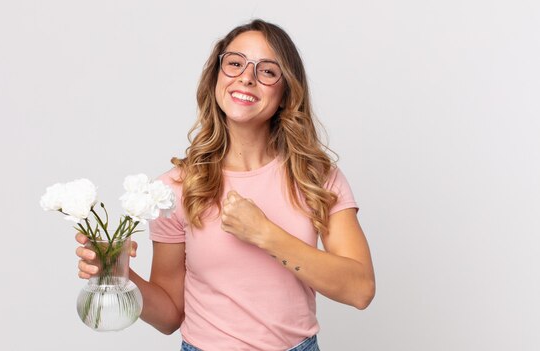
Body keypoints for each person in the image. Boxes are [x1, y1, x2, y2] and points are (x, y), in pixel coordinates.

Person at [76, 19, 375, 351]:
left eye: (267, 71)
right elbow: (171, 316)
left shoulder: (315, 177)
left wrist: (264, 233)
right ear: (216, 77)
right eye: (235, 64)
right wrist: (119, 277)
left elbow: (359, 290)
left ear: (286, 90)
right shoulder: (175, 188)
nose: (246, 77)